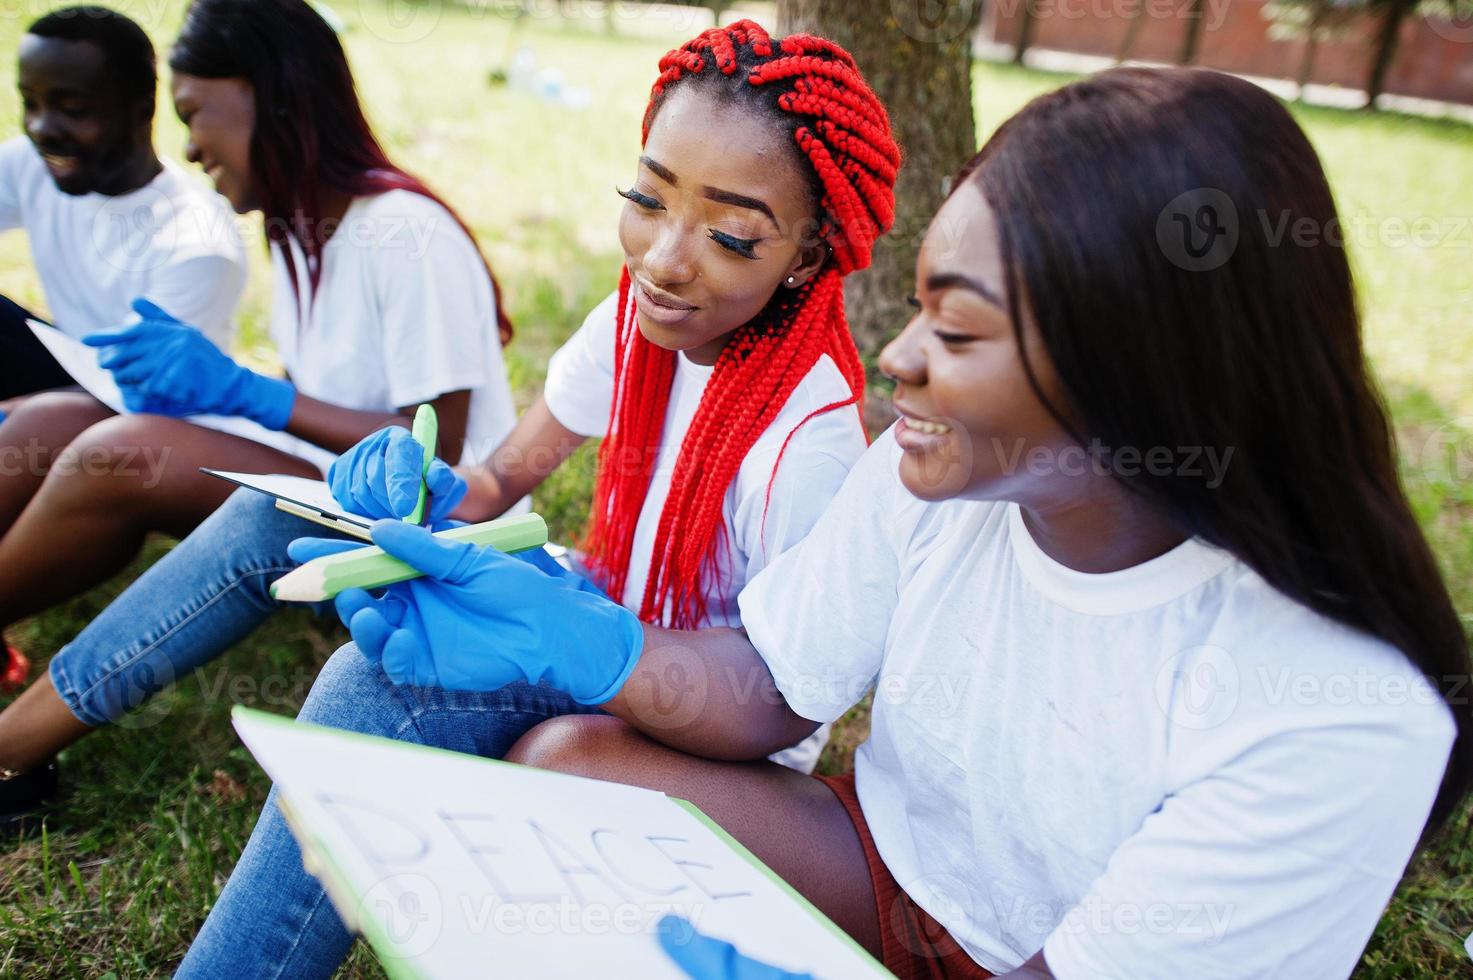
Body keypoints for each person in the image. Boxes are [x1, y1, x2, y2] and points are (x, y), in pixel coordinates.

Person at [197, 66, 1469, 978]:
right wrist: (580, 647)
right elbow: (765, 684)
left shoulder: (1333, 711)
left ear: (1146, 372)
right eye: (917, 306)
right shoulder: (945, 479)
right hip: (876, 862)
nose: (900, 358)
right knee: (566, 774)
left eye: (958, 329)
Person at [0, 18, 897, 842]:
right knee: (181, 480)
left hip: (685, 719)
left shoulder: (807, 446)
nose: (663, 260)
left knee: (343, 644)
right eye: (647, 197)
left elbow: (780, 704)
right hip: (601, 623)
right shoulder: (632, 323)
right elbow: (498, 482)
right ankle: (17, 743)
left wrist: (573, 631)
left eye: (732, 236)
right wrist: (433, 488)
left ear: (806, 254)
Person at [0, 0, 518, 814]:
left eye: (194, 114)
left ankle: (11, 755)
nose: (189, 147)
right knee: (55, 419)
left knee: (120, 450)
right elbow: (326, 396)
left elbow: (434, 462)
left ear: (268, 94)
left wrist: (248, 395)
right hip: (333, 486)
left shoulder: (406, 232)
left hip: (424, 532)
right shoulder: (304, 233)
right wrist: (216, 387)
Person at [1, 4, 248, 692]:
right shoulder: (32, 163)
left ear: (142, 107)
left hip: (157, 412)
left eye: (72, 107)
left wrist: (20, 408)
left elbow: (133, 394)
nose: (44, 127)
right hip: (71, 369)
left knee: (64, 424)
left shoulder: (195, 240)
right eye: (31, 103)